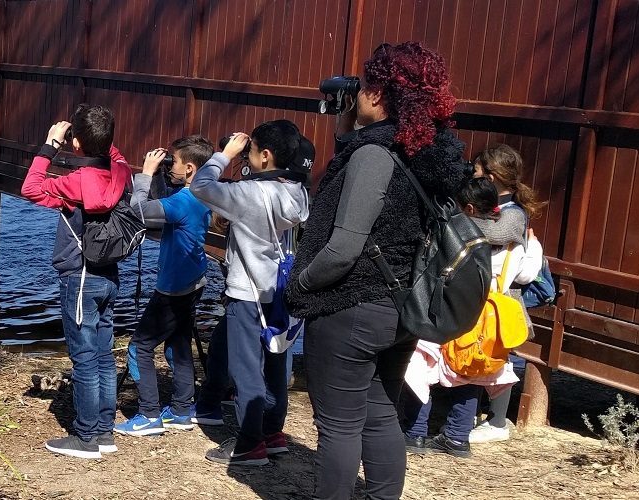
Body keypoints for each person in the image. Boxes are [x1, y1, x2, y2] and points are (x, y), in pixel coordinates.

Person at [284, 42, 469, 500]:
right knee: (381, 412)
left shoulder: (373, 156)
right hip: (400, 307)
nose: (360, 93)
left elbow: (343, 248)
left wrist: (301, 284)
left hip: (350, 307)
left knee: (339, 425)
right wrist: (348, 127)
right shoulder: (423, 152)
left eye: (366, 85)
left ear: (383, 93)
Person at [190, 120, 312, 466]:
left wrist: (223, 155)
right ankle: (273, 434)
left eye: (252, 150)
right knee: (276, 361)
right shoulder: (298, 193)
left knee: (246, 368)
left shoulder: (248, 194)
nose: (249, 155)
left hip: (246, 292)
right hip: (279, 291)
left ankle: (248, 444)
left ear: (265, 155)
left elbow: (200, 185)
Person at [20, 104, 132, 459]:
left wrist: (50, 146)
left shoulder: (75, 183)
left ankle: (85, 439)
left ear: (77, 144)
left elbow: (31, 187)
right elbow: (115, 155)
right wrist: (100, 141)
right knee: (102, 356)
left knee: (83, 359)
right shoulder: (120, 174)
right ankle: (104, 431)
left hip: (79, 278)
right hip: (110, 276)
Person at [400, 177, 532, 458]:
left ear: (469, 208)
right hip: (490, 313)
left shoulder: (462, 235)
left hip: (453, 306)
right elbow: (526, 275)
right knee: (471, 371)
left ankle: (415, 431)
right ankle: (457, 437)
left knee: (424, 366)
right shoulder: (518, 240)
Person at [115, 136, 214, 436]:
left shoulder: (182, 202)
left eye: (174, 162)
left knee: (140, 347)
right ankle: (183, 410)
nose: (169, 166)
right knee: (178, 346)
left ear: (190, 169)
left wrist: (145, 174)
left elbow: (138, 211)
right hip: (194, 282)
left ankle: (148, 415)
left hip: (172, 290)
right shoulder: (205, 196)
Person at [467, 144, 547, 444]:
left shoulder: (513, 214)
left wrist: (462, 217)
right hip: (485, 292)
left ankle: (498, 421)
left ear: (493, 176)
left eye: (477, 170)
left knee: (498, 355)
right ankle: (474, 414)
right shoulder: (494, 208)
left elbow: (494, 234)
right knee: (477, 350)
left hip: (502, 297)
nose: (473, 175)